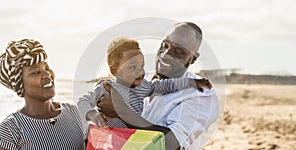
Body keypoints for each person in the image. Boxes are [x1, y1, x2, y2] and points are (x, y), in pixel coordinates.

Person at [97, 22, 220, 150]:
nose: (166, 54)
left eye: (178, 52)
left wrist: (121, 111)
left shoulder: (199, 93)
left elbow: (171, 145)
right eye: (165, 45)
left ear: (193, 58)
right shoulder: (142, 80)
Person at [0, 39, 87, 150]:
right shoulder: (10, 129)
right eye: (35, 72)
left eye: (46, 67)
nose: (47, 74)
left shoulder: (75, 113)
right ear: (19, 84)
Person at [77, 37, 211, 128]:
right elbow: (83, 101)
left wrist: (191, 82)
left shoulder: (144, 86)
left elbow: (167, 85)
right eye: (132, 67)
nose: (140, 71)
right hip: (109, 140)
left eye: (142, 66)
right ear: (115, 71)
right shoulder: (106, 88)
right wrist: (92, 113)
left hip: (131, 140)